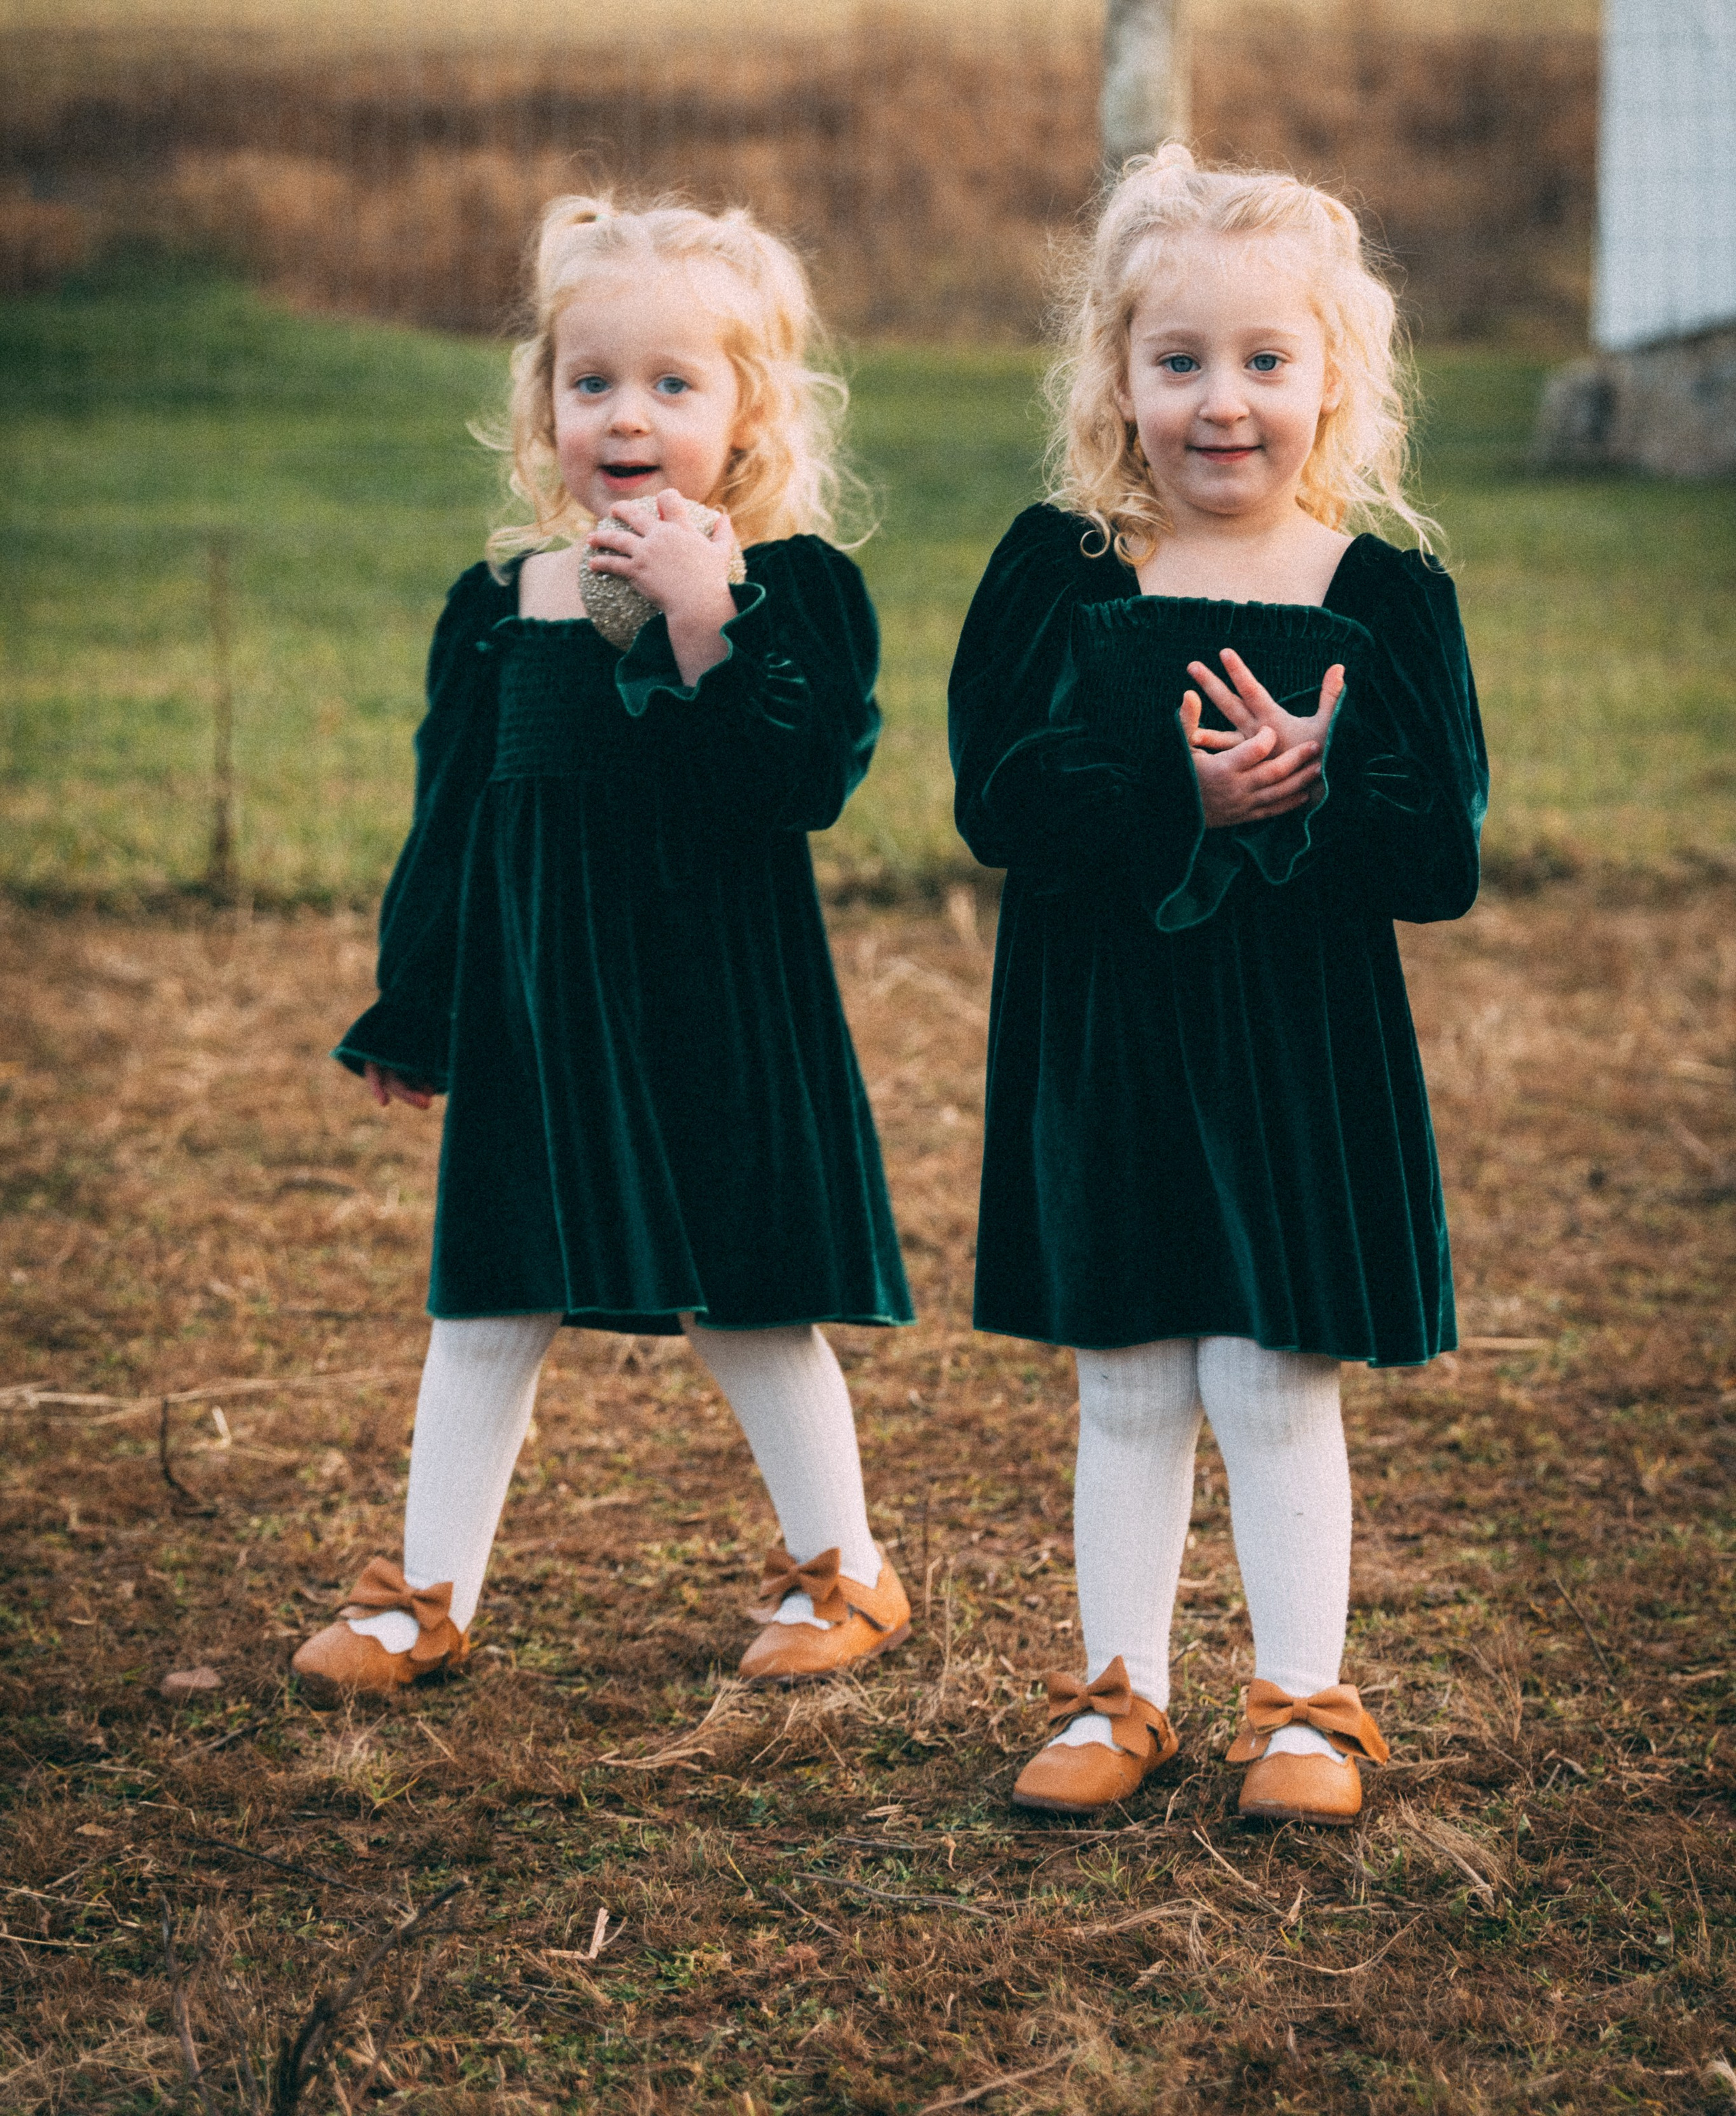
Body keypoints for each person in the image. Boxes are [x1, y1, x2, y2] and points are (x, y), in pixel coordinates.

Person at [293, 195, 913, 1704]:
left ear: (746, 413)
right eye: (592, 382)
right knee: (487, 1295)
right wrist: (416, 1005)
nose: (626, 416)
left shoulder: (793, 590)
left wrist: (708, 622)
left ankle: (845, 1569)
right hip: (538, 1015)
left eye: (671, 384)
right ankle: (428, 1597)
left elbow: (800, 779)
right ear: (545, 406)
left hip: (718, 1010)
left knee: (744, 1298)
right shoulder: (500, 606)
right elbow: (451, 820)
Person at [948, 146, 1486, 1826]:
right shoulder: (1058, 571)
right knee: (1125, 1375)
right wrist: (1171, 793)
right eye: (1177, 360)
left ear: (1333, 376)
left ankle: (1302, 1705)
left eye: (1264, 359)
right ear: (1114, 376)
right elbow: (996, 802)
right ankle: (1118, 1693)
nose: (1221, 402)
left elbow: (1438, 854)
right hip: (1104, 1033)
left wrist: (1315, 788)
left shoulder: (1381, 597)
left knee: (1265, 1372)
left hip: (1294, 1044)